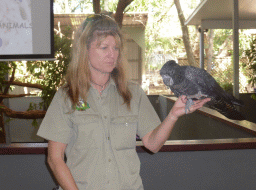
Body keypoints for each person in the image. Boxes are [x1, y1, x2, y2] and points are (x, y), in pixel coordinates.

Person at [37, 14, 210, 190]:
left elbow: (153, 144)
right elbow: (54, 159)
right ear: (85, 50)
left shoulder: (133, 93)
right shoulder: (67, 96)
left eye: (116, 48)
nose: (112, 54)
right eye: (104, 47)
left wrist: (173, 115)